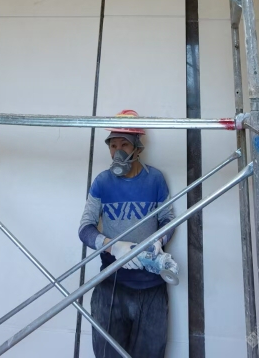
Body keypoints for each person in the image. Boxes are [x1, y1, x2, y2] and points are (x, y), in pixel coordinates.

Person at [79, 110, 175, 358]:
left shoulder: (155, 180)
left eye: (124, 145)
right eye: (113, 145)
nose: (117, 152)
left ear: (137, 148)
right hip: (111, 286)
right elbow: (85, 228)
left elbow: (168, 220)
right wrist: (113, 246)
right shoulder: (102, 182)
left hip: (152, 288)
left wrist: (159, 240)